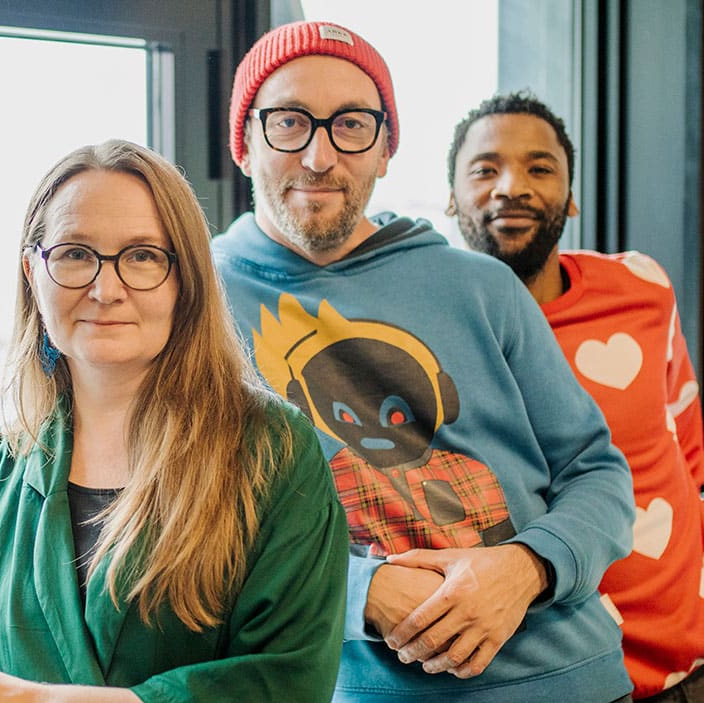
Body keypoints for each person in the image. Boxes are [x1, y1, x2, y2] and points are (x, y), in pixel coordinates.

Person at [0, 139, 349, 703]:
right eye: (74, 254)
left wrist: (30, 700)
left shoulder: (274, 451)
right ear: (32, 275)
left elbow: (287, 682)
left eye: (142, 256)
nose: (105, 290)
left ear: (186, 280)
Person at [211, 19, 636, 702]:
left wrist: (524, 566)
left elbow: (600, 473)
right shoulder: (190, 304)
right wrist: (359, 590)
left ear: (385, 148)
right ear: (244, 142)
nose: (320, 157)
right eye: (289, 123)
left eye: (351, 125)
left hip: (574, 678)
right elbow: (185, 524)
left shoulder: (482, 286)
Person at [447, 91, 704, 701]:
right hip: (554, 677)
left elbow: (688, 449)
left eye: (541, 168)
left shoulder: (641, 287)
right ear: (450, 198)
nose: (513, 185)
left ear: (571, 195)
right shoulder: (430, 337)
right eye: (485, 169)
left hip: (689, 663)